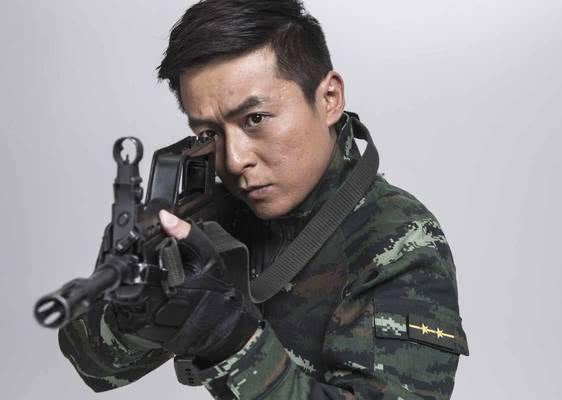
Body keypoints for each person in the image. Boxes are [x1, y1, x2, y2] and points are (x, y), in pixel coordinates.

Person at [57, 1, 469, 399]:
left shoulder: (401, 241)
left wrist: (229, 340)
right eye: (209, 134)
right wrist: (139, 307)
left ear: (329, 98)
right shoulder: (211, 218)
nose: (235, 160)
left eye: (255, 119)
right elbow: (96, 370)